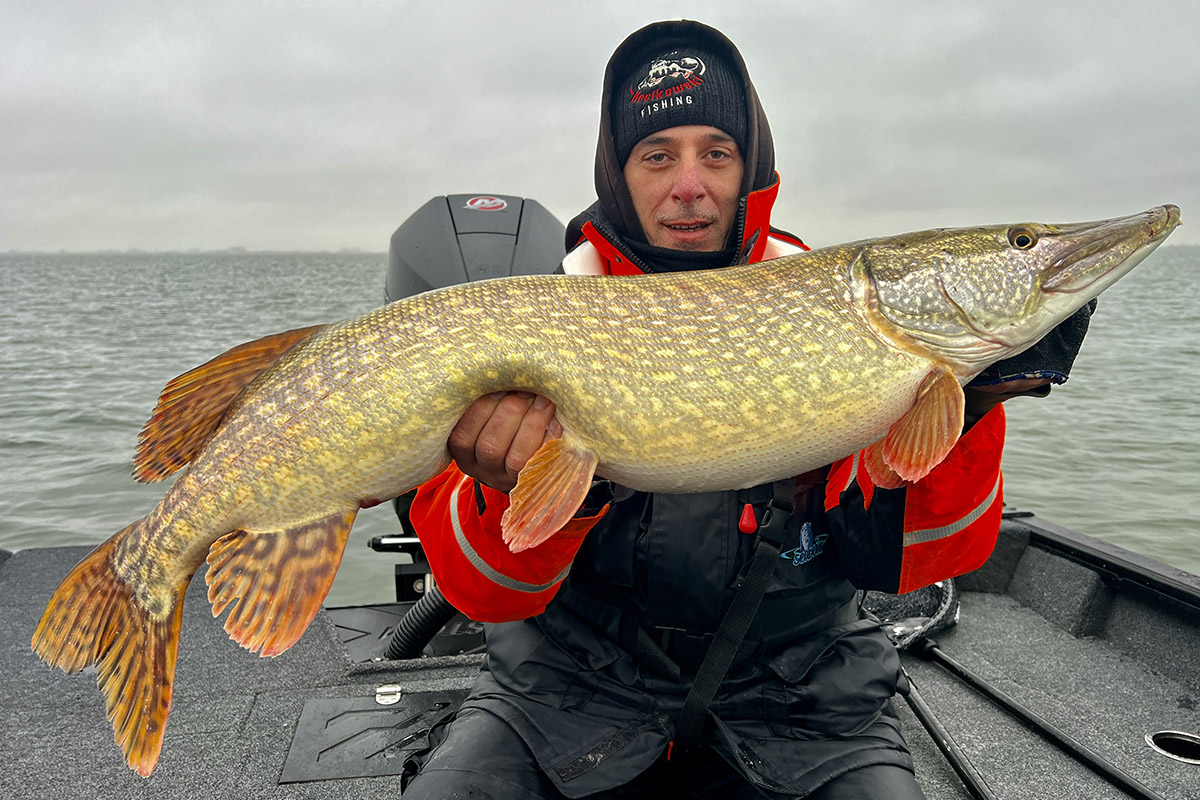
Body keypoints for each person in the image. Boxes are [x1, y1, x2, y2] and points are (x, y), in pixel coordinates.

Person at [401, 19, 1088, 799]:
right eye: (657, 155)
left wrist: (975, 403)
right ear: (618, 176)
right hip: (569, 687)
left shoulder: (843, 323)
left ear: (750, 168)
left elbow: (914, 560)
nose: (689, 184)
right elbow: (484, 593)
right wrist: (513, 484)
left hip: (802, 697)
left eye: (717, 153)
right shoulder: (547, 312)